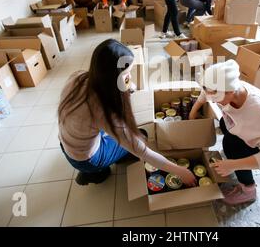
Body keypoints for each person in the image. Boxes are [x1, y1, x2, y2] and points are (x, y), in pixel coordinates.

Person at [58, 39, 197, 187]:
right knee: (141, 135)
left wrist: (128, 84)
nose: (129, 78)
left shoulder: (78, 77)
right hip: (86, 160)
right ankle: (93, 172)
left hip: (66, 143)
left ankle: (93, 168)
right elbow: (142, 152)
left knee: (115, 136)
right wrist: (180, 171)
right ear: (113, 78)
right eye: (126, 75)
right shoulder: (104, 110)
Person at [189, 60, 260, 205]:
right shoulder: (228, 87)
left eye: (215, 97)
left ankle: (248, 191)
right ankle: (237, 160)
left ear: (230, 91)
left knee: (231, 146)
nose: (212, 101)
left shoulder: (257, 111)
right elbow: (207, 92)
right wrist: (193, 112)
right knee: (224, 123)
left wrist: (232, 165)